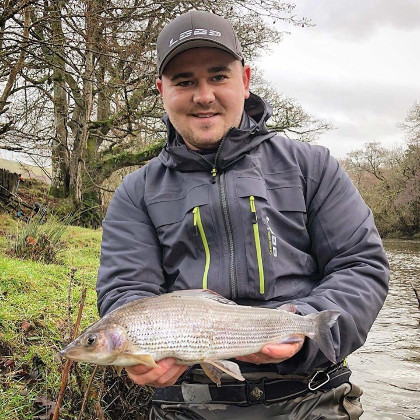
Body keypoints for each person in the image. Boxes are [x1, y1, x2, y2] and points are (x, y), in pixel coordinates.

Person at [96, 10, 390, 419]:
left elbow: (361, 266)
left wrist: (304, 328)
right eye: (185, 82)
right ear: (162, 90)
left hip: (312, 398)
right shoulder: (135, 193)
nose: (204, 95)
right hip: (189, 404)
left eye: (218, 76)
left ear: (245, 80)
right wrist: (144, 350)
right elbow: (126, 290)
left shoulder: (313, 167)